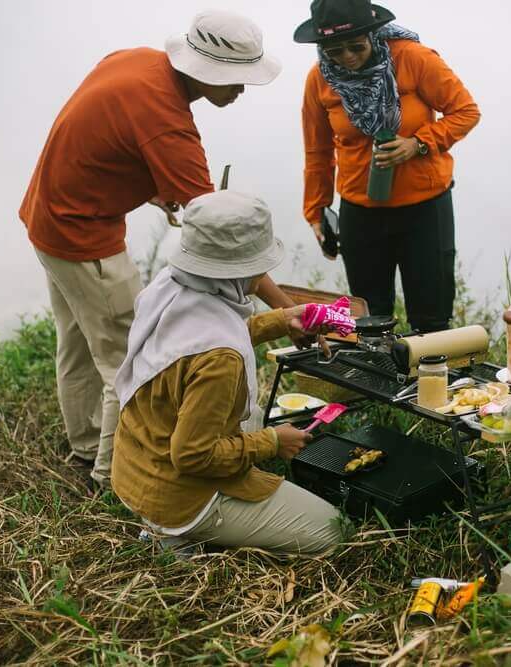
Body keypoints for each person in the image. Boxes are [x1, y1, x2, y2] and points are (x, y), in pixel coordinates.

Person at [19, 11, 298, 489]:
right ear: (209, 72)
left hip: (47, 220)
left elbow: (108, 141)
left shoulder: (136, 62)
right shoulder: (168, 125)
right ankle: (110, 481)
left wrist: (153, 188)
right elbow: (226, 243)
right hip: (86, 240)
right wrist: (291, 311)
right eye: (237, 80)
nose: (242, 91)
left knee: (78, 347)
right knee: (130, 358)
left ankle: (86, 448)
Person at [111, 191, 343, 556]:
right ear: (242, 268)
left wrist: (282, 319)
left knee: (245, 417)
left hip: (136, 469)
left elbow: (196, 344)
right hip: (180, 495)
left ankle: (170, 525)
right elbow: (191, 456)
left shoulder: (170, 286)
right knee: (334, 531)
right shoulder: (221, 358)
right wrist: (273, 442)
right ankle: (180, 537)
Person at [295, 0, 481, 333]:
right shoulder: (319, 80)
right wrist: (316, 211)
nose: (348, 57)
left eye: (356, 46)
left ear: (373, 34)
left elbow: (465, 112)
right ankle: (378, 382)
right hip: (361, 212)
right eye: (335, 51)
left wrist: (418, 144)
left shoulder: (413, 58)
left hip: (425, 209)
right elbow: (318, 151)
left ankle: (433, 383)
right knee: (369, 319)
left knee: (432, 319)